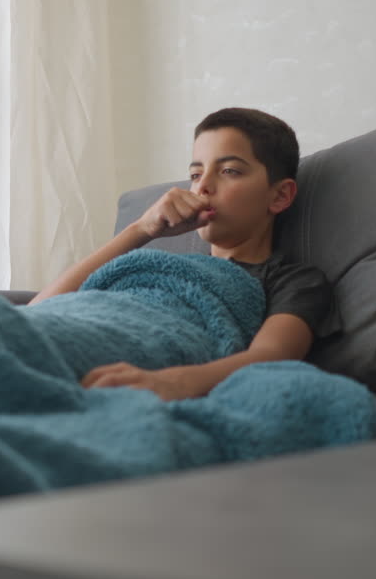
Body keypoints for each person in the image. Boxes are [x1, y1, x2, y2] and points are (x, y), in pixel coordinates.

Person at [28, 107, 339, 402]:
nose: (202, 186)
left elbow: (269, 358)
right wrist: (141, 229)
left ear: (280, 195)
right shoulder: (162, 266)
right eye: (195, 174)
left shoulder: (294, 281)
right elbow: (36, 312)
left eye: (229, 170)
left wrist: (171, 382)